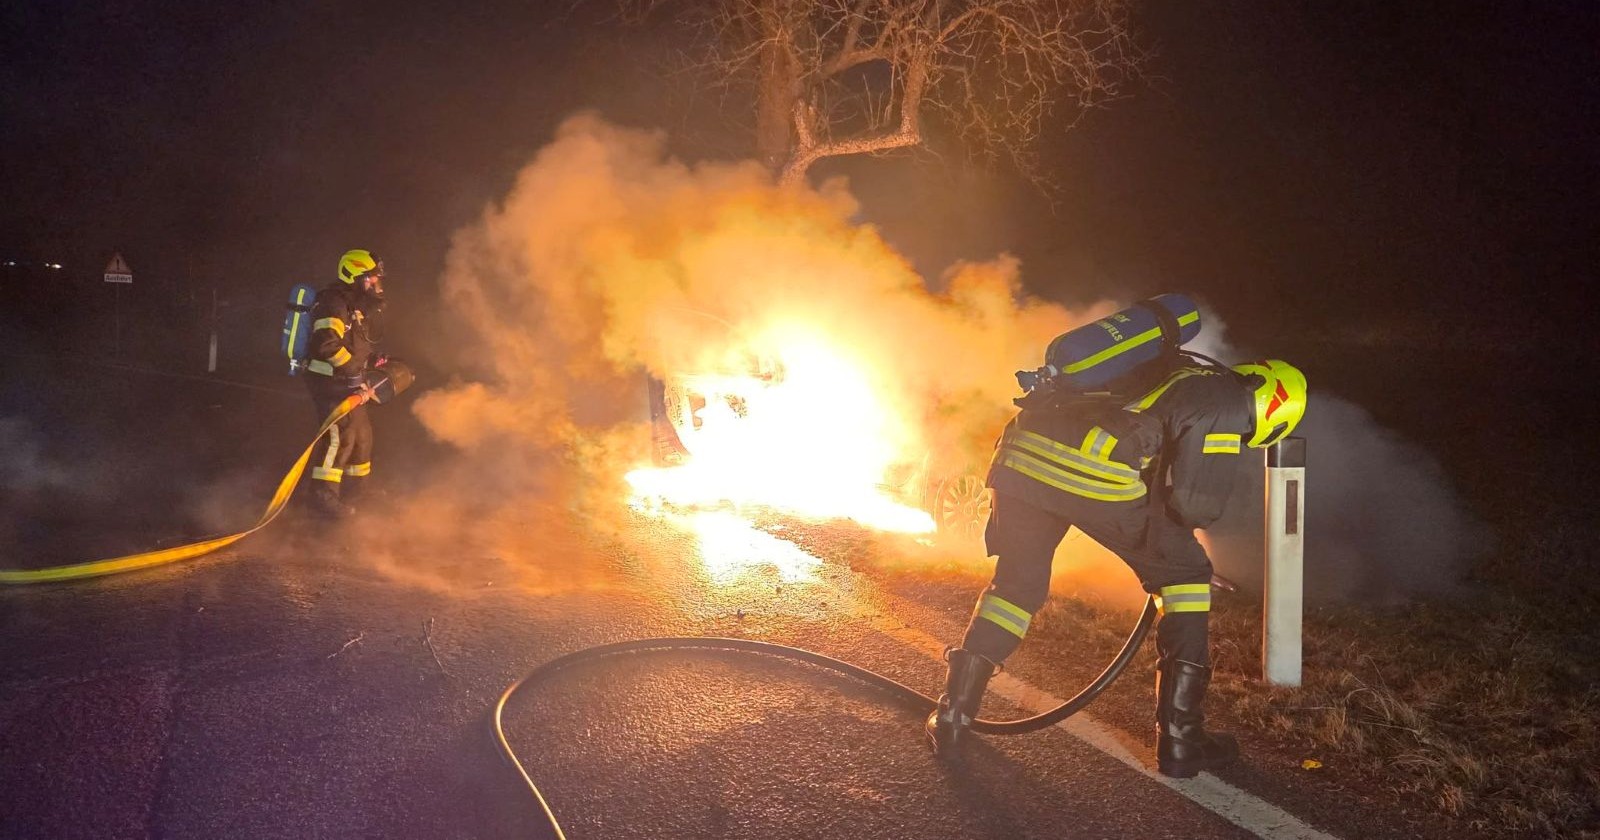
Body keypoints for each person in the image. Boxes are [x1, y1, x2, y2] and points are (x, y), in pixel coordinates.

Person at [925, 358, 1308, 778]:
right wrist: (1182, 556)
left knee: (1015, 587)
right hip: (1091, 467)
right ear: (1275, 410)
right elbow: (1196, 504)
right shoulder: (1227, 405)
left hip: (1020, 454)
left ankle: (952, 717)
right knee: (1186, 581)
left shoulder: (1178, 370)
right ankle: (1181, 740)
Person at [304, 249, 388, 518]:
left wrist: (373, 360)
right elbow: (327, 345)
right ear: (354, 276)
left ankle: (358, 492)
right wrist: (353, 371)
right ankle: (322, 497)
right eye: (371, 279)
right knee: (340, 438)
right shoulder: (333, 303)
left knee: (362, 436)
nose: (375, 284)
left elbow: (355, 347)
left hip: (349, 382)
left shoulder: (354, 306)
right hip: (329, 382)